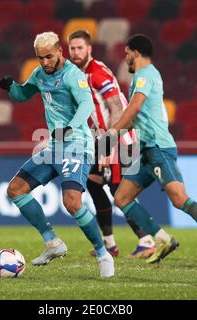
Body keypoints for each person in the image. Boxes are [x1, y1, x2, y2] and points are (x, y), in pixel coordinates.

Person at [103, 34, 197, 266]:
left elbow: (134, 108)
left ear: (136, 52)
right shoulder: (142, 78)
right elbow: (137, 119)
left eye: (126, 53)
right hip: (145, 151)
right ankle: (163, 239)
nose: (125, 58)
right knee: (122, 198)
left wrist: (113, 132)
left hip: (159, 148)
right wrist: (116, 138)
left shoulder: (146, 76)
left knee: (179, 198)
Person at [0, 31, 114, 277]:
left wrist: (70, 127)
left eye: (49, 57)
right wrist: (11, 87)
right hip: (54, 145)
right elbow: (22, 95)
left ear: (59, 50)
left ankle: (103, 253)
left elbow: (87, 105)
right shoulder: (40, 74)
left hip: (77, 144)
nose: (44, 63)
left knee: (72, 202)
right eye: (40, 58)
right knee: (15, 189)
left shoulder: (73, 75)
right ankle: (52, 243)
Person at [67, 30, 156, 259]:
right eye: (72, 48)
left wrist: (109, 146)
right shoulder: (79, 74)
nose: (75, 52)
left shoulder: (97, 73)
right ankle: (109, 244)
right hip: (102, 140)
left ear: (89, 49)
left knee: (119, 191)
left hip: (118, 140)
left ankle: (147, 240)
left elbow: (117, 107)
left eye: (80, 48)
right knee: (94, 183)